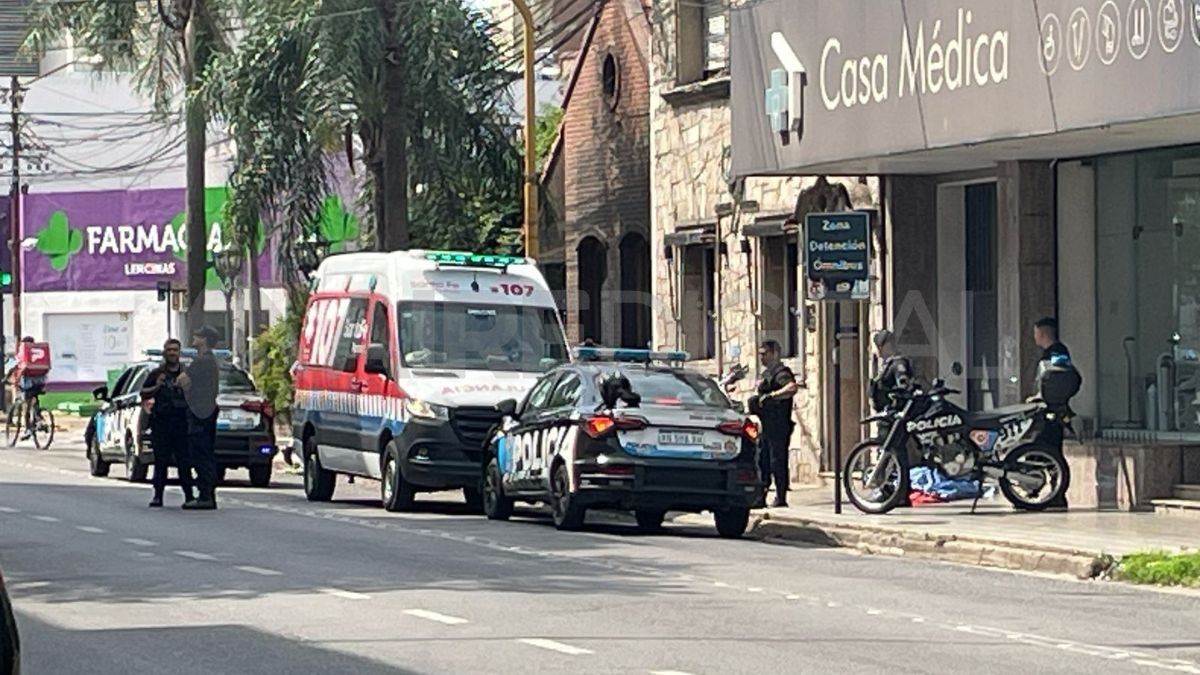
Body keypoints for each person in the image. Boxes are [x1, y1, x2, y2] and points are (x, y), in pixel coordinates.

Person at [139, 339, 194, 508]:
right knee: (161, 461)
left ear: (179, 353)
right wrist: (157, 386)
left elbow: (197, 394)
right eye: (169, 350)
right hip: (161, 422)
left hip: (181, 422)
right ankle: (158, 496)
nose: (172, 353)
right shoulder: (157, 373)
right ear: (164, 352)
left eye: (175, 350)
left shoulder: (186, 373)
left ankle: (189, 496)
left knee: (184, 462)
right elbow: (143, 393)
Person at [751, 340, 799, 508]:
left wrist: (772, 396)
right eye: (760, 354)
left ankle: (780, 496)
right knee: (763, 461)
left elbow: (792, 388)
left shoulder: (781, 373)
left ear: (774, 354)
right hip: (766, 425)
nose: (761, 357)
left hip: (779, 425)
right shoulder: (766, 374)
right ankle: (761, 496)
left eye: (764, 353)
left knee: (777, 461)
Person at [179, 325, 222, 511]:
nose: (194, 337)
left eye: (197, 335)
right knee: (206, 452)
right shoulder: (211, 360)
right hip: (207, 410)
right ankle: (207, 493)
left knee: (200, 453)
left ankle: (205, 495)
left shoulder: (201, 361)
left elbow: (182, 381)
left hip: (199, 412)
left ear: (204, 339)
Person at [1031, 317, 1071, 509]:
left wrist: (1044, 398)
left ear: (1044, 333)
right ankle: (1040, 491)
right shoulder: (1048, 354)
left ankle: (1056, 494)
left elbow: (1058, 378)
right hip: (1044, 410)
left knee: (1049, 451)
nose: (1034, 337)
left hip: (1053, 412)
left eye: (1036, 332)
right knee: (1042, 450)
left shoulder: (1058, 353)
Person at [9, 337, 49, 440]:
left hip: (28, 384)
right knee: (35, 403)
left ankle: (28, 429)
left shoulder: (23, 353)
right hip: (41, 382)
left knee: (26, 406)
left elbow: (14, 366)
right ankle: (40, 420)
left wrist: (8, 378)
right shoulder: (39, 351)